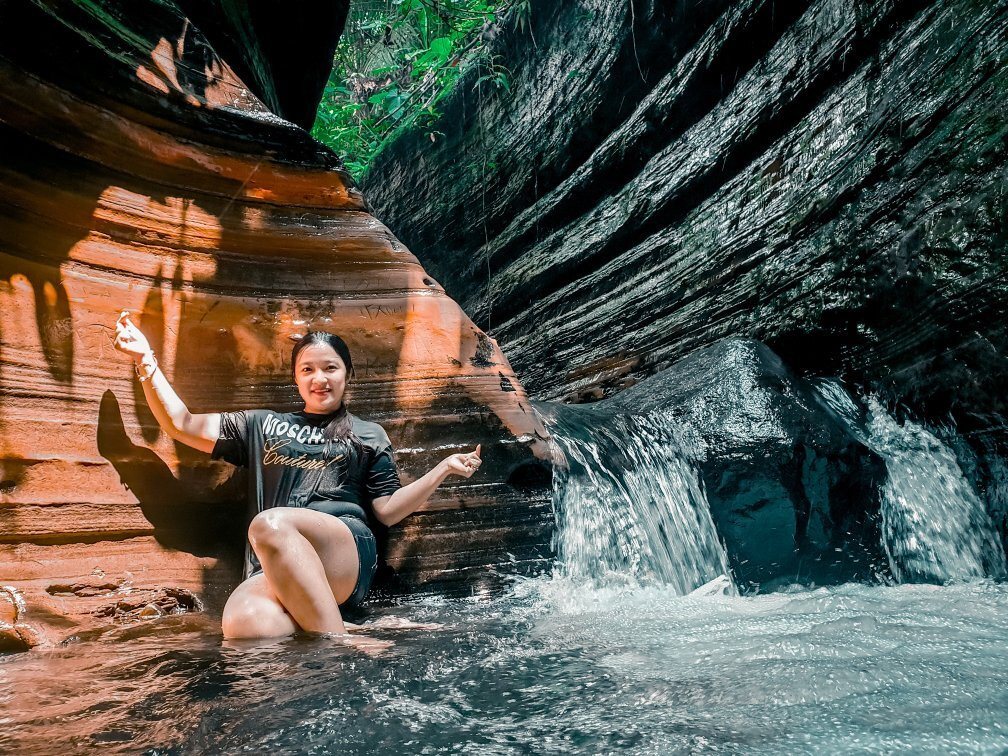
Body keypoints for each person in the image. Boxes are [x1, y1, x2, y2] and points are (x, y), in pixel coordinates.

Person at [113, 311, 482, 640]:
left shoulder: (368, 434)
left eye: (330, 368)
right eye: (308, 369)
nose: (319, 378)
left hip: (342, 553)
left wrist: (444, 468)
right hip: (272, 566)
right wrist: (147, 361)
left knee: (269, 525)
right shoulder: (262, 424)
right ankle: (340, 626)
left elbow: (386, 511)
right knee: (246, 625)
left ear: (348, 375)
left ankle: (344, 642)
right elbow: (182, 424)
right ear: (295, 377)